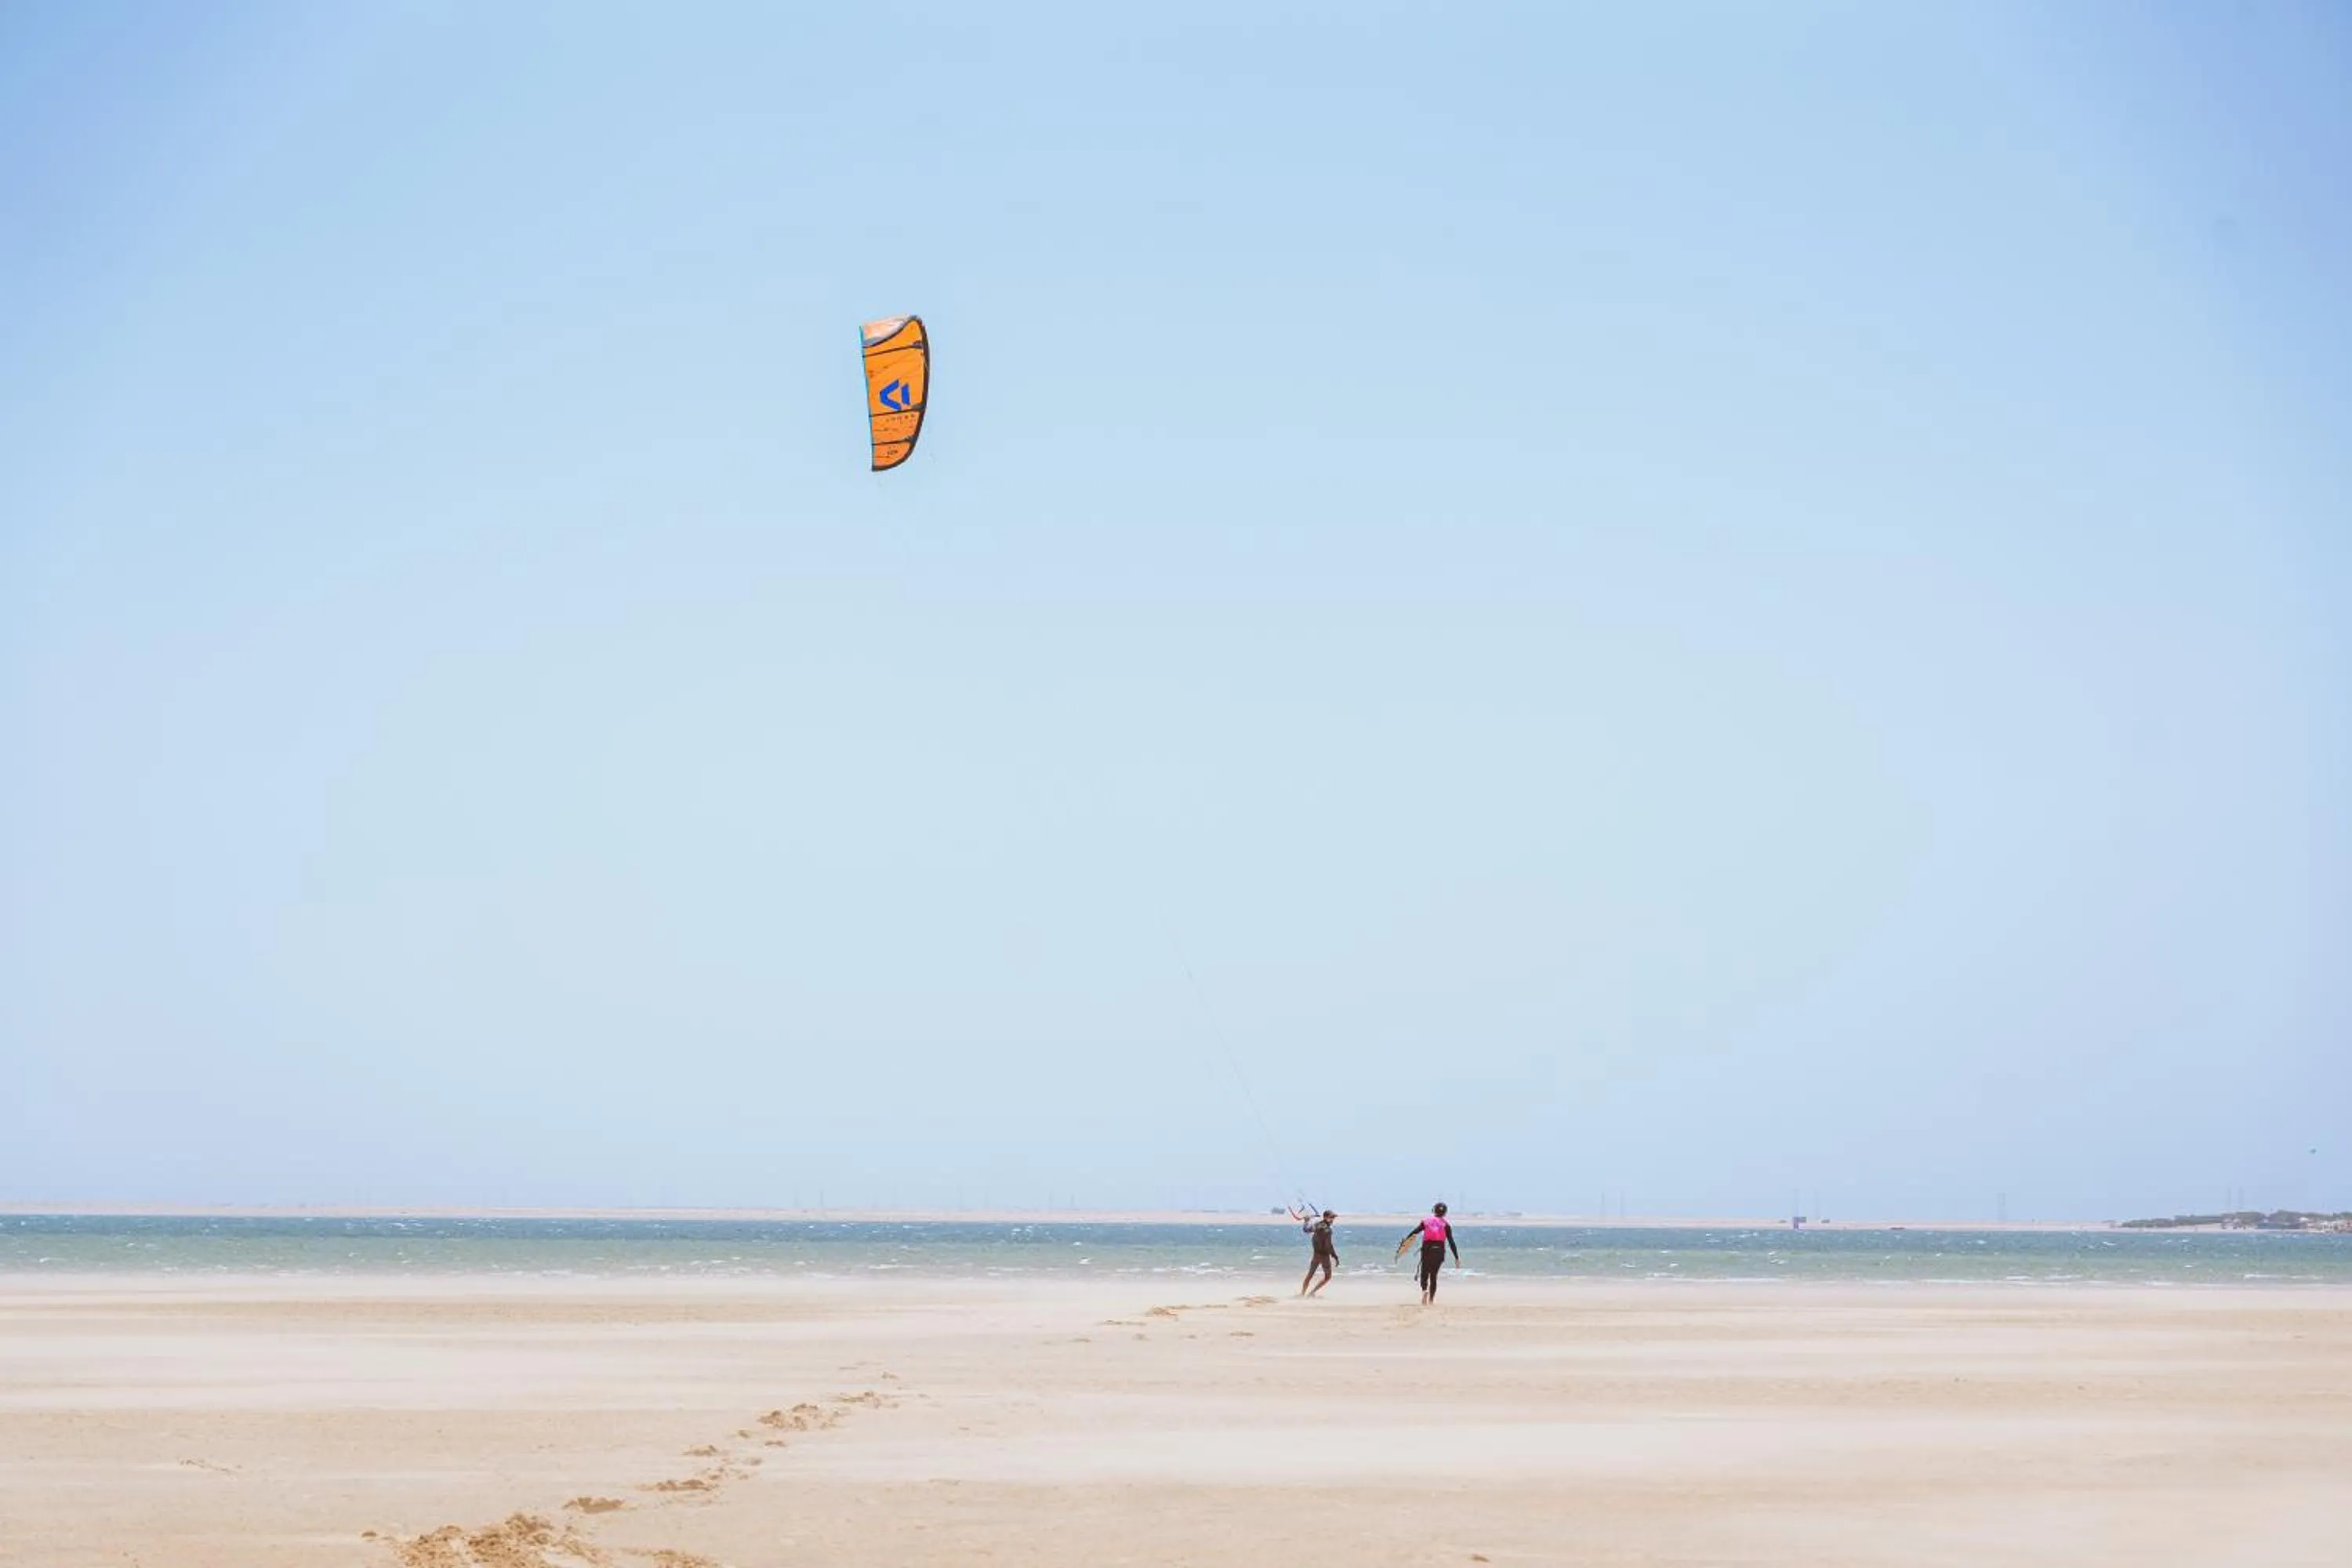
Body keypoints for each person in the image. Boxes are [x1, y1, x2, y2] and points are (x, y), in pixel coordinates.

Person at [1397, 1202, 1461, 1304]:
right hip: (1439, 1250)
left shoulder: (1426, 1222)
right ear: (1445, 1213)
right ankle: (1431, 1300)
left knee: (1424, 1273)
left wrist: (1403, 1244)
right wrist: (1456, 1257)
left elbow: (1414, 1232)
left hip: (1427, 1249)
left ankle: (1424, 1291)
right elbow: (1451, 1242)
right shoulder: (1446, 1225)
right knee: (1434, 1275)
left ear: (1434, 1210)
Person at [1292, 1206, 1338, 1296]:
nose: (1333, 1220)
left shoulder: (1317, 1226)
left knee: (1310, 1275)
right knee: (1328, 1277)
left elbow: (1306, 1230)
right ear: (1325, 1217)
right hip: (1324, 1256)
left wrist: (1306, 1221)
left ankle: (1302, 1294)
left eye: (1333, 1218)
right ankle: (1311, 1293)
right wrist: (1335, 1256)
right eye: (1331, 1218)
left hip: (1316, 1256)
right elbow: (1329, 1245)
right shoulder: (1327, 1230)